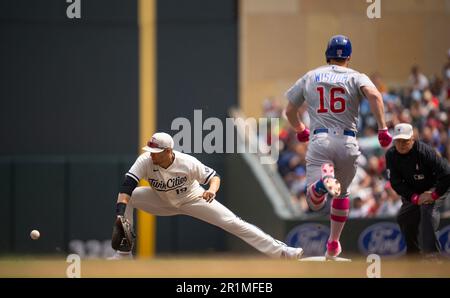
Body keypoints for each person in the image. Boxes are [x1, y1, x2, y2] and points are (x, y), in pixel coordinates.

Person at [109, 132, 304, 260]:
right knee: (131, 195)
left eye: (156, 151)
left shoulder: (187, 162)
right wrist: (120, 213)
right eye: (150, 150)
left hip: (194, 199)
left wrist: (212, 190)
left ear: (168, 151)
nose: (151, 154)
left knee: (234, 223)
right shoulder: (145, 160)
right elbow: (127, 184)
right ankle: (124, 253)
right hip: (161, 200)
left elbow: (214, 177)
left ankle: (283, 252)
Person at [285, 35, 392, 259]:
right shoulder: (357, 77)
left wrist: (300, 129)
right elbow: (374, 95)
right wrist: (382, 128)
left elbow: (289, 112)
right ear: (349, 57)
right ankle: (333, 243)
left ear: (327, 55)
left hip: (321, 140)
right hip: (348, 142)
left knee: (315, 204)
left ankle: (322, 185)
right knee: (343, 194)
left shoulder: (311, 76)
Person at [385, 123, 450, 256]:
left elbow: (447, 174)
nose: (401, 144)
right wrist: (414, 197)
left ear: (413, 139)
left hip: (435, 187)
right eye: (398, 141)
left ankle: (432, 256)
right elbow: (396, 183)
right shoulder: (391, 155)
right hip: (415, 192)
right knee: (404, 217)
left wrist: (434, 194)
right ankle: (414, 256)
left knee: (427, 211)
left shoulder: (425, 152)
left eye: (405, 141)